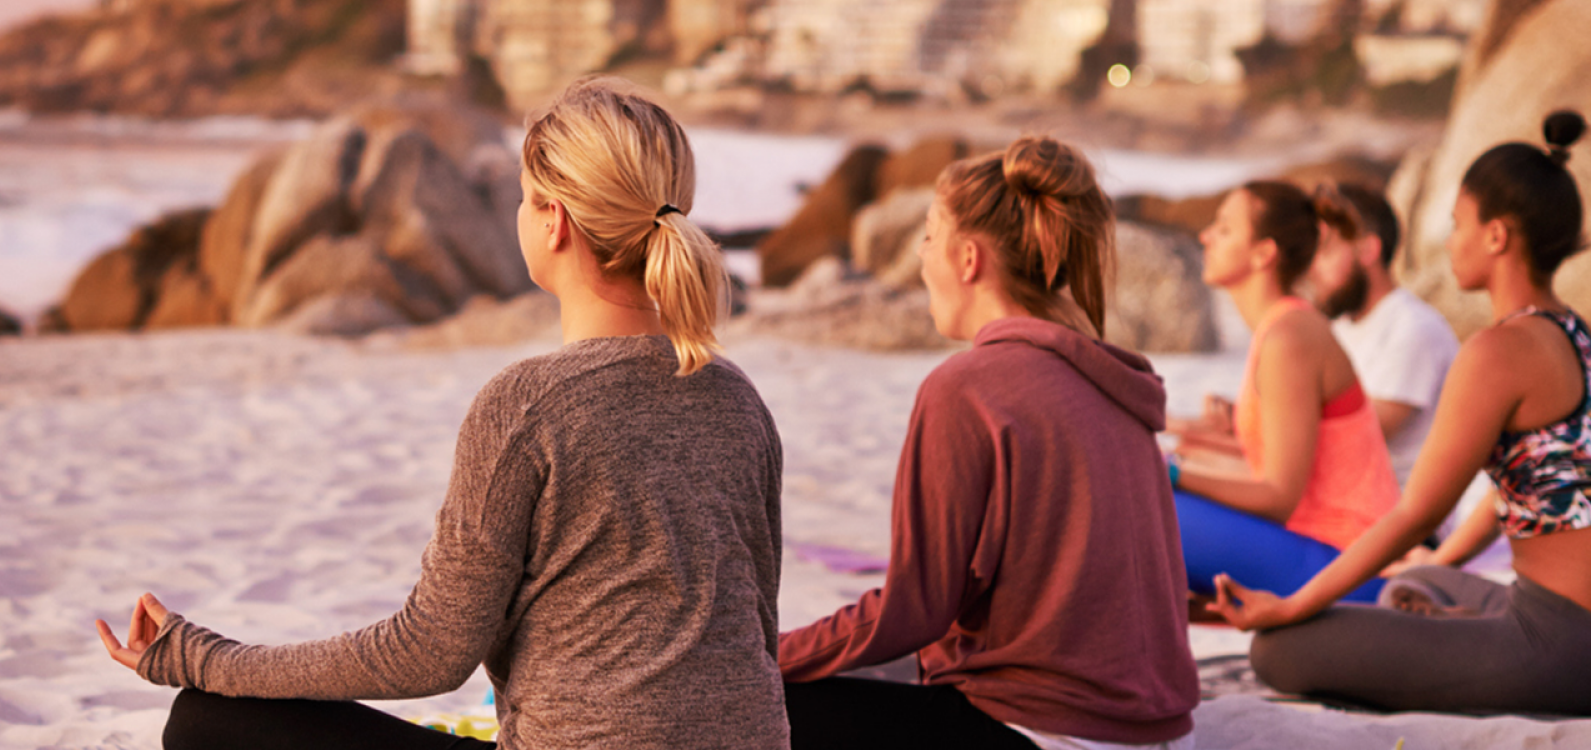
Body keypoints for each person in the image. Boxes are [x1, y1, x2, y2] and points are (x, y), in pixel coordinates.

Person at [93, 77, 788, 749]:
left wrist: (205, 659)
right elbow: (756, 628)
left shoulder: (527, 406)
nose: (519, 212)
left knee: (206, 721)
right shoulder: (739, 401)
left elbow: (428, 653)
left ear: (555, 222)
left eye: (524, 197)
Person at [778, 137, 1199, 750]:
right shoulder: (1118, 382)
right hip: (1158, 735)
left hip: (1044, 734)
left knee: (766, 700)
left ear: (969, 259)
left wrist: (767, 655)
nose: (921, 258)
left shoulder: (967, 387)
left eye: (927, 236)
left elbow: (912, 610)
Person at [1216, 111, 1591, 717]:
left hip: (1558, 643)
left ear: (1496, 236)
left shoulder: (1498, 351)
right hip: (1561, 618)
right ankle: (1456, 615)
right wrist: (1442, 563)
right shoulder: (1576, 334)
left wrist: (1291, 606)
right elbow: (1526, 497)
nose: (1449, 242)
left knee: (1277, 651)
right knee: (1422, 582)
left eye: (1456, 224)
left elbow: (1419, 510)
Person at [1164, 180, 1400, 603]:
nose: (1205, 236)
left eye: (1224, 227)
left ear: (1263, 254)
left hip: (1350, 566)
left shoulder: (1289, 337)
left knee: (1150, 508)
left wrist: (1175, 474)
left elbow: (1278, 496)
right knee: (1145, 492)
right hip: (1319, 548)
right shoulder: (1280, 329)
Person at [1307, 182, 1460, 481]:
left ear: (1368, 249)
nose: (1313, 269)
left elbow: (1353, 442)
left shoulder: (1413, 328)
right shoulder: (1337, 329)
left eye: (1324, 251)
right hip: (1337, 509)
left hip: (1390, 521)